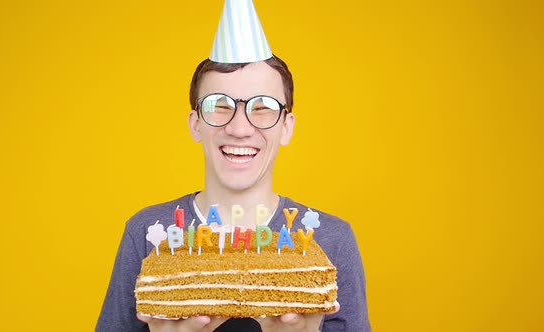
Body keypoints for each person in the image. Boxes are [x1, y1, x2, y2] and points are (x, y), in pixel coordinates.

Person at [96, 1, 370, 331]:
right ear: (195, 123)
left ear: (286, 126)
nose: (240, 127)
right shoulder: (146, 233)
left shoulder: (331, 241)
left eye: (263, 107)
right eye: (219, 105)